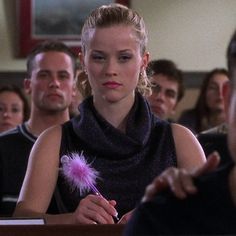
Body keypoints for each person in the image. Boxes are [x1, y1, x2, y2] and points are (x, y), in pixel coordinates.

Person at [13, 3, 206, 225]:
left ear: (143, 61)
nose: (110, 69)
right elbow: (21, 221)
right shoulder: (53, 141)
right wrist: (71, 220)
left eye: (124, 57)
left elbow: (212, 219)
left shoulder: (179, 140)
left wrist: (160, 219)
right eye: (99, 57)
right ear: (83, 60)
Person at [125, 29, 236, 235]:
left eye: (170, 94)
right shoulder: (163, 216)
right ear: (228, 100)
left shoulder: (181, 138)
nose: (160, 98)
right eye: (155, 88)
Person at [0, 40, 76, 216]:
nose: (54, 83)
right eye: (44, 75)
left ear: (73, 87)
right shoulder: (3, 147)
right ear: (28, 85)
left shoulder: (90, 144)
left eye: (63, 76)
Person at [178, 68, 230, 134]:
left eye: (225, 88)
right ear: (204, 93)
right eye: (213, 87)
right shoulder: (189, 119)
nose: (220, 92)